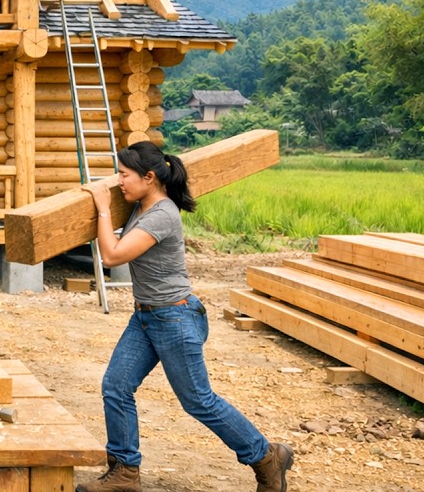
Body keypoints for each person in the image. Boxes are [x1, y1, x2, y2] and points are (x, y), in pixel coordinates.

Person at [78, 141, 293, 492]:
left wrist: (103, 208)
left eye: (125, 174)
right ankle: (125, 472)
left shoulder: (162, 214)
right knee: (116, 387)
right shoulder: (140, 204)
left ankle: (267, 456)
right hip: (145, 317)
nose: (119, 181)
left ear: (149, 177)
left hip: (174, 318)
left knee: (198, 401)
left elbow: (112, 256)